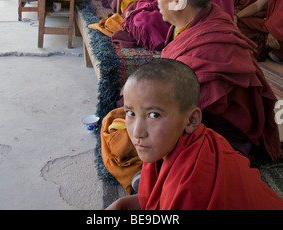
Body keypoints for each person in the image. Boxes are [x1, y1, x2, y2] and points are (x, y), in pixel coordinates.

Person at [107, 59, 283, 210]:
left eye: (154, 115)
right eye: (130, 113)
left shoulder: (193, 182)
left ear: (192, 120)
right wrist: (122, 204)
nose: (137, 132)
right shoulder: (168, 143)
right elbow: (154, 199)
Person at [157, 0, 280, 162]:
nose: (156, 0)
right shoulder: (204, 18)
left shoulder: (211, 44)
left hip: (226, 139)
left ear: (178, 1)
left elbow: (182, 110)